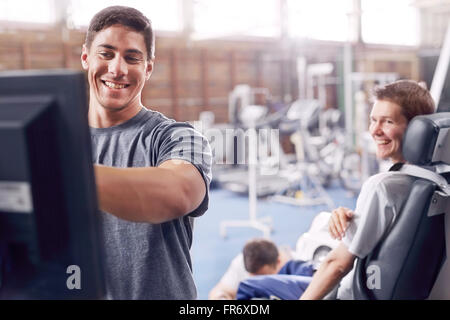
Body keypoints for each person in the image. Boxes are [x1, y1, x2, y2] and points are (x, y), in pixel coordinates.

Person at [80, 6, 212, 299]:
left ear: (148, 68)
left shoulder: (176, 137)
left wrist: (62, 169)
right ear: (86, 57)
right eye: (106, 53)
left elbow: (177, 193)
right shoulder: (55, 139)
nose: (118, 69)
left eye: (132, 57)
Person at [300, 80, 435, 300]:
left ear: (415, 129)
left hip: (346, 292)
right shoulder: (436, 181)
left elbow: (336, 266)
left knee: (255, 285)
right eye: (373, 120)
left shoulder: (382, 186)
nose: (375, 130)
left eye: (388, 121)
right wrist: (355, 218)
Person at [208, 238, 315, 300]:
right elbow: (220, 290)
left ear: (279, 262)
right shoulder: (244, 262)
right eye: (253, 277)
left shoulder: (300, 271)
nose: (256, 282)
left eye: (262, 277)